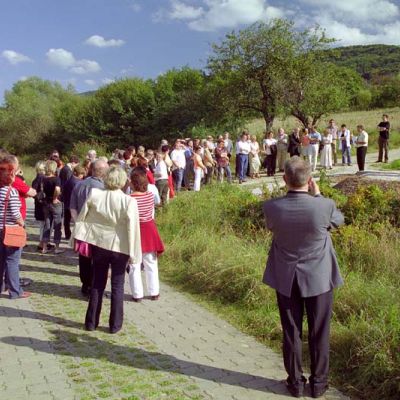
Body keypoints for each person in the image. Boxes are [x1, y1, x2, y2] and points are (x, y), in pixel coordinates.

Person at [262, 156, 344, 398]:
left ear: (284, 179)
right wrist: (317, 195)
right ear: (310, 180)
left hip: (286, 278)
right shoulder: (324, 205)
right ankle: (318, 384)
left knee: (291, 331)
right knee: (320, 331)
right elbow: (338, 220)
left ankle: (295, 383)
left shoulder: (271, 207)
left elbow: (272, 226)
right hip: (319, 277)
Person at [73, 166, 141, 334]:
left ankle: (91, 322)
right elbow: (133, 229)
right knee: (118, 285)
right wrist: (134, 255)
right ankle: (115, 325)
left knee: (97, 282)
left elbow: (83, 217)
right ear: (123, 181)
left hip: (99, 243)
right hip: (120, 247)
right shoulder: (128, 201)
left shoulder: (95, 194)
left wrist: (78, 237)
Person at [70, 159, 109, 295]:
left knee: (84, 255)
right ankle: (94, 286)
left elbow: (72, 207)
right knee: (98, 257)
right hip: (97, 227)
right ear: (103, 172)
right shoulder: (103, 188)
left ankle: (85, 284)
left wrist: (78, 222)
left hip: (82, 226)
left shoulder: (79, 185)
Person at [128, 168, 164, 302]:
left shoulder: (130, 198)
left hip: (135, 231)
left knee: (134, 264)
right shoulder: (149, 195)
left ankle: (137, 294)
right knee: (151, 262)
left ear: (133, 183)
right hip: (149, 229)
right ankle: (154, 291)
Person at [0, 157, 30, 299]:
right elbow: (15, 214)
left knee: (1, 261)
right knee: (12, 261)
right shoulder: (11, 192)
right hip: (10, 231)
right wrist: (22, 224)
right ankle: (15, 291)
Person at [41, 160, 64, 254]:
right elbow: (57, 189)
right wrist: (55, 198)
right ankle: (57, 247)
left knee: (47, 224)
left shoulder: (43, 179)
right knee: (57, 225)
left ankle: (44, 247)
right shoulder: (56, 179)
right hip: (55, 203)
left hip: (46, 202)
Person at [59, 155, 80, 240]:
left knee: (67, 217)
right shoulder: (67, 170)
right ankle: (68, 234)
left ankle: (68, 233)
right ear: (73, 163)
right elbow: (69, 183)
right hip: (68, 195)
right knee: (68, 216)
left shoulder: (64, 168)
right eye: (76, 164)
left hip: (65, 194)